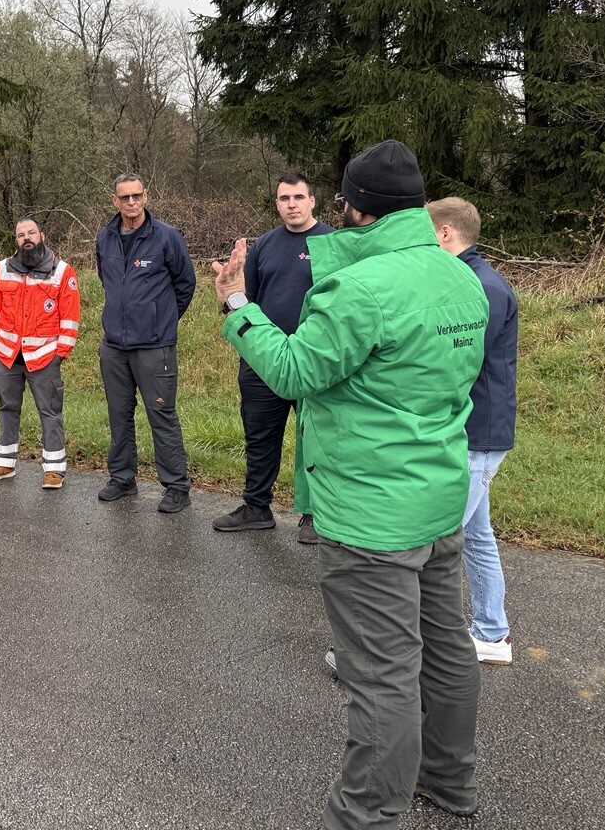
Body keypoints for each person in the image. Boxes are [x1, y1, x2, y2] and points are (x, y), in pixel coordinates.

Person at [213, 140, 489, 828]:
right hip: (437, 496)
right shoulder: (462, 276)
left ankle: (365, 813)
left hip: (370, 514)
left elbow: (294, 372)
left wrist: (238, 304)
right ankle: (448, 780)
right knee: (446, 650)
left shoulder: (359, 288)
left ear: (356, 209)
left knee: (382, 672)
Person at [211, 172, 334, 541]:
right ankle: (256, 506)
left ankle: (316, 515)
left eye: (298, 197)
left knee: (317, 438)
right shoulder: (263, 246)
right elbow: (242, 301)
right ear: (277, 204)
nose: (292, 204)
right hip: (263, 361)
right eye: (284, 198)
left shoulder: (334, 244)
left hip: (314, 361)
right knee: (260, 435)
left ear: (312, 201)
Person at [428, 196, 518, 665]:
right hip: (472, 430)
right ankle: (491, 633)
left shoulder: (483, 288)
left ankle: (393, 649)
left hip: (477, 434)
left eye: (426, 233)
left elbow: (458, 360)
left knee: (431, 543)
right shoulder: (470, 280)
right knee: (477, 537)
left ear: (445, 232)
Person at [95, 172, 197, 513]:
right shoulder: (105, 237)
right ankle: (123, 479)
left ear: (146, 196)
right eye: (124, 197)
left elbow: (185, 283)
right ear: (115, 200)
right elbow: (108, 282)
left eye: (136, 196)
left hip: (154, 346)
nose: (131, 203)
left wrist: (161, 320)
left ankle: (176, 486)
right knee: (118, 414)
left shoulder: (166, 236)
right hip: (114, 345)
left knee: (161, 414)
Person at [0, 216, 82, 489]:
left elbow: (70, 317)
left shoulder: (62, 272)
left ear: (42, 236)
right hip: (5, 355)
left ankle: (54, 469)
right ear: (16, 240)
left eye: (31, 233)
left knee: (49, 412)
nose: (27, 238)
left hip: (44, 356)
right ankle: (4, 463)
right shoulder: (2, 269)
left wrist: (61, 352)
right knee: (7, 408)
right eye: (21, 234)